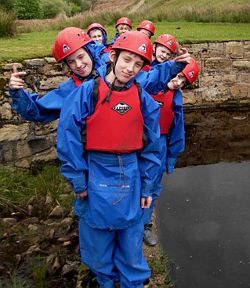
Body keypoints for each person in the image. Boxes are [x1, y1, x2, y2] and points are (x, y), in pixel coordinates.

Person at [56, 30, 161, 288]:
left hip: (132, 172)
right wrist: (78, 180)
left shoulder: (143, 100)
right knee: (98, 246)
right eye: (127, 60)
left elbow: (153, 147)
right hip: (96, 170)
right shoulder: (87, 93)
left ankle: (131, 283)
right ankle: (105, 280)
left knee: (131, 243)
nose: (131, 68)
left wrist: (148, 186)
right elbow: (67, 136)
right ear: (113, 56)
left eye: (138, 64)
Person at [143, 59, 199, 247]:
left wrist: (171, 158)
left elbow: (177, 129)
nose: (178, 82)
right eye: (178, 76)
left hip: (159, 144)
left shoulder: (175, 97)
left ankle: (145, 224)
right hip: (137, 141)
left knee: (152, 186)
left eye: (184, 82)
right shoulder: (147, 85)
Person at [8, 27, 106, 123]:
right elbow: (38, 110)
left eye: (81, 56)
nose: (78, 65)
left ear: (90, 52)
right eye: (71, 61)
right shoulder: (69, 90)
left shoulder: (112, 66)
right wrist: (17, 92)